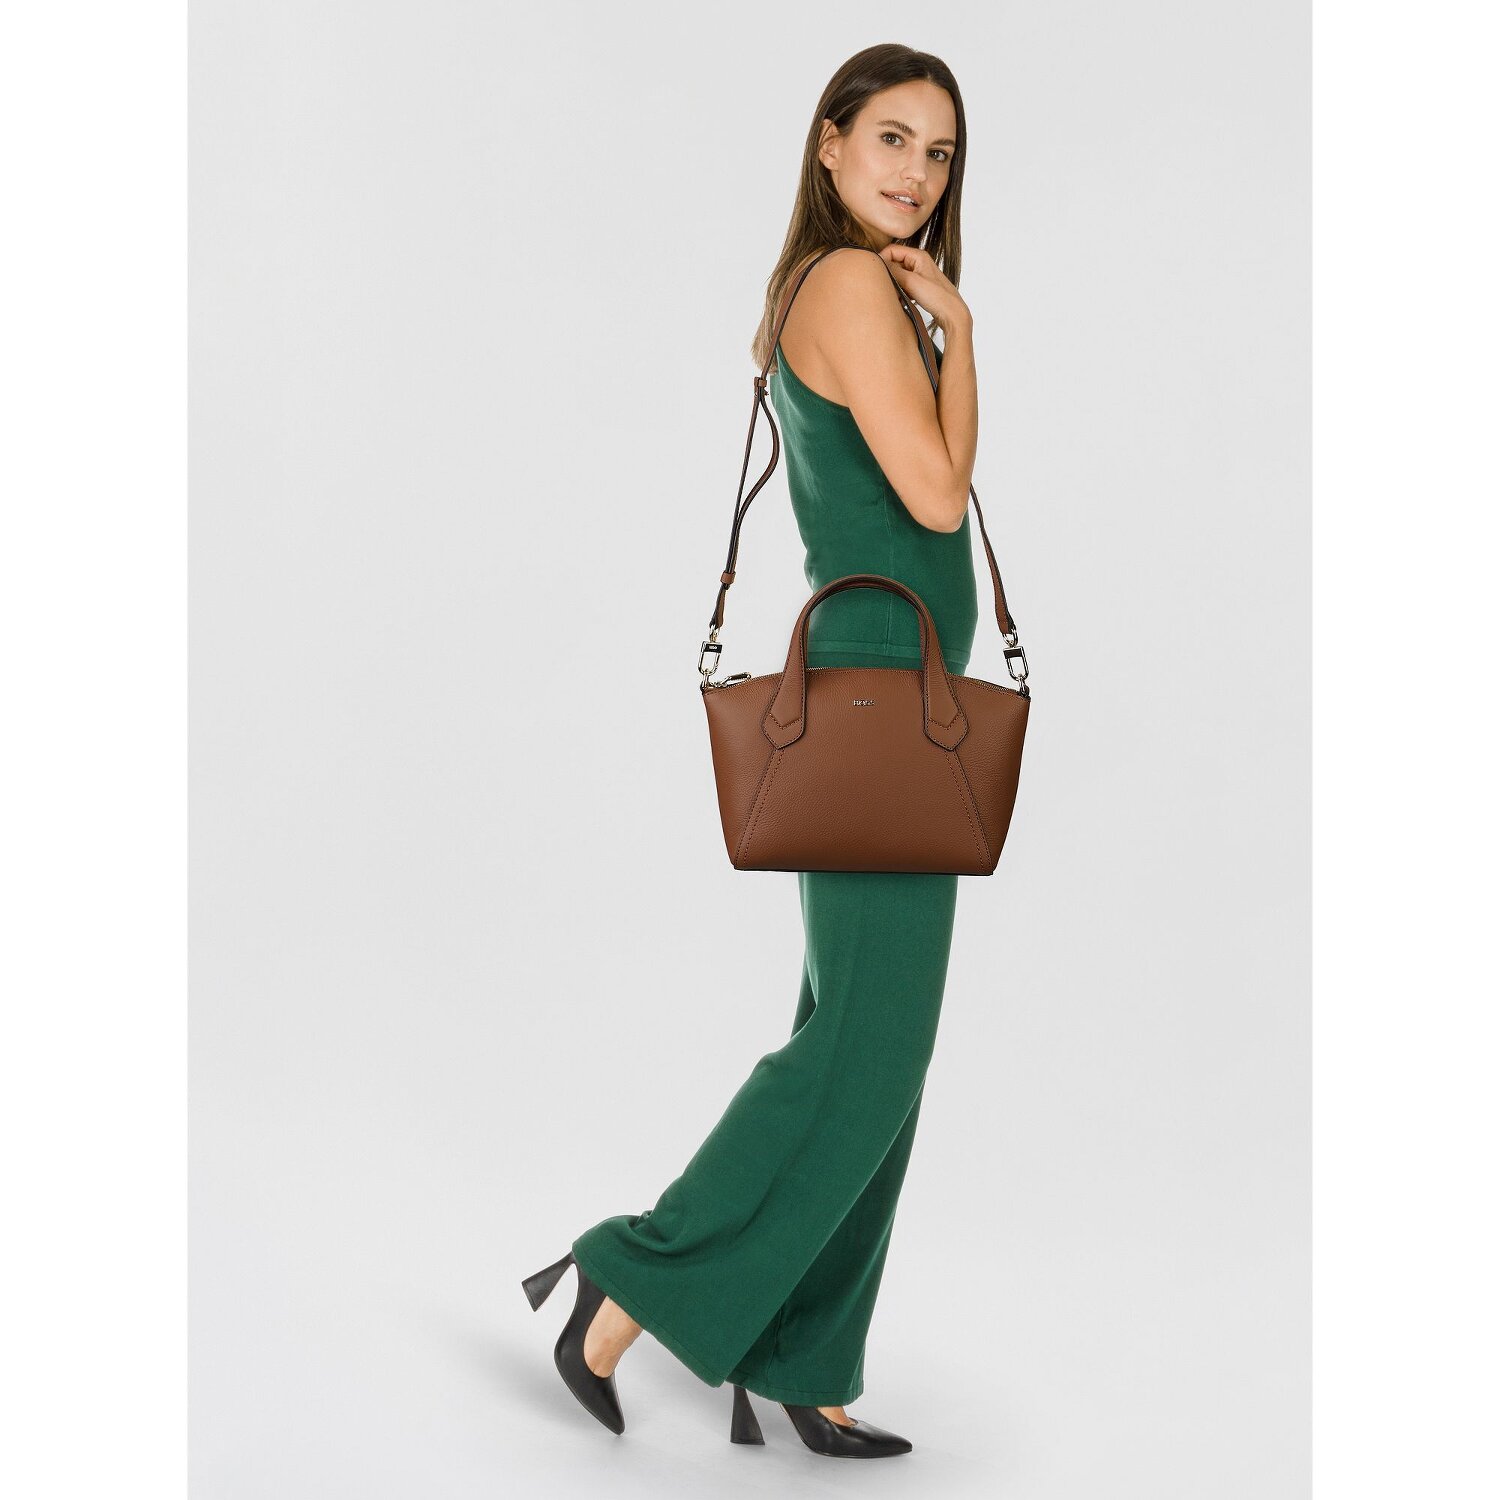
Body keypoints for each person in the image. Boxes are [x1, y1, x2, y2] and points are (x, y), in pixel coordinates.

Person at [523, 43, 982, 1460]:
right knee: (863, 1047)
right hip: (878, 696)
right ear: (829, 142)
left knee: (869, 1047)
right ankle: (627, 1278)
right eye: (892, 138)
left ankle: (805, 1356)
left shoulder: (844, 286)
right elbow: (936, 493)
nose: (917, 172)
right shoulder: (852, 285)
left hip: (894, 692)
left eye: (940, 152)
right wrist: (965, 336)